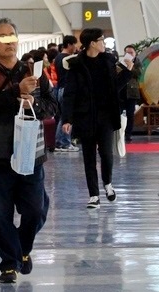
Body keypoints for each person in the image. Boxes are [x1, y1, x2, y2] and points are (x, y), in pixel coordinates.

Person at [0, 18, 57, 283]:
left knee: (36, 209)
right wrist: (16, 93)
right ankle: (9, 262)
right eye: (3, 37)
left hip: (30, 151)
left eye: (13, 36)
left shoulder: (34, 71)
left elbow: (52, 107)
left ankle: (21, 248)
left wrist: (35, 104)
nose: (9, 42)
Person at [61, 28, 133, 209]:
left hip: (106, 116)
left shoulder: (107, 61)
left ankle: (107, 183)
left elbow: (114, 88)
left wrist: (127, 72)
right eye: (101, 40)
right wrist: (67, 119)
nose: (104, 43)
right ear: (92, 43)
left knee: (106, 153)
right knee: (88, 156)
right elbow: (70, 94)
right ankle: (94, 195)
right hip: (85, 116)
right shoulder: (76, 65)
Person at [54, 35, 80, 152]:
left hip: (60, 89)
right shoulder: (67, 59)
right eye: (74, 44)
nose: (76, 47)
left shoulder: (58, 57)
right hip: (66, 89)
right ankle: (63, 142)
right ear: (69, 45)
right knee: (66, 117)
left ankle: (62, 142)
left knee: (63, 116)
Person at [120, 45, 143, 142]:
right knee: (119, 113)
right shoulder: (121, 63)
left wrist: (130, 66)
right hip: (121, 91)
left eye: (131, 53)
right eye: (127, 53)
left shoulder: (138, 63)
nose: (129, 54)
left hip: (132, 92)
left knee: (130, 114)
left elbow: (139, 74)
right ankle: (119, 133)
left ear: (135, 53)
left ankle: (128, 134)